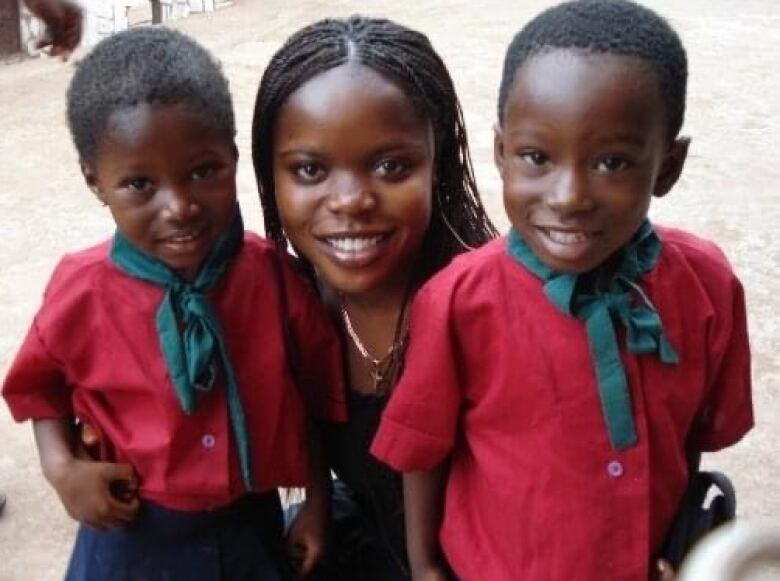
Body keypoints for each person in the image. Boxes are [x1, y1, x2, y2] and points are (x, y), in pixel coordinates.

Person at [370, 1, 754, 580]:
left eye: (613, 162)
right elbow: (423, 449)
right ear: (501, 154)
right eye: (536, 157)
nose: (570, 194)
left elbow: (691, 435)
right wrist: (425, 565)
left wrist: (675, 538)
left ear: (668, 166)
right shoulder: (459, 301)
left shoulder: (707, 285)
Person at [2, 26, 345, 581]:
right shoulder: (81, 289)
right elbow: (42, 388)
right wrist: (62, 469)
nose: (180, 206)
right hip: (131, 534)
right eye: (140, 184)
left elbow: (313, 398)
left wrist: (316, 503)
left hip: (249, 527)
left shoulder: (272, 277)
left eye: (204, 171)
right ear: (96, 182)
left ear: (234, 157)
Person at [252, 16, 497, 580]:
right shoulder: (291, 302)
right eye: (310, 169)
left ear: (440, 163)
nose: (352, 200)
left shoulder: (494, 309)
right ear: (271, 176)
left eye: (391, 166)